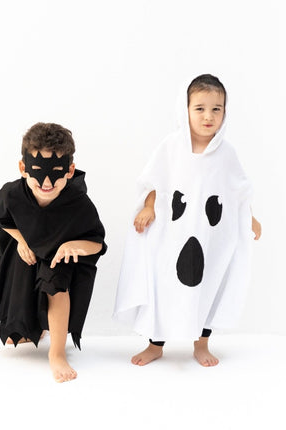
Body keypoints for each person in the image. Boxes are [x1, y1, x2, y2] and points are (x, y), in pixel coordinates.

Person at [113, 74, 261, 367]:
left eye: (216, 109)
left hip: (210, 235)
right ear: (185, 109)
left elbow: (238, 192)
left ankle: (201, 343)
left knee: (209, 284)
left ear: (225, 112)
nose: (208, 116)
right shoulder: (171, 146)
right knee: (163, 284)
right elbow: (154, 182)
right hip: (172, 233)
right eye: (200, 108)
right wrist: (149, 207)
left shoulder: (226, 153)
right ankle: (155, 344)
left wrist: (250, 218)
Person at [0, 122, 107, 382]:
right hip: (29, 253)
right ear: (23, 168)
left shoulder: (79, 204)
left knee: (55, 283)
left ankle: (57, 353)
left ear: (70, 171)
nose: (47, 182)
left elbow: (97, 242)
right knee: (16, 322)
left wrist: (74, 246)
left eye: (57, 173)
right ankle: (33, 327)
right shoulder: (12, 194)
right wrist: (21, 240)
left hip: (59, 259)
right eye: (39, 172)